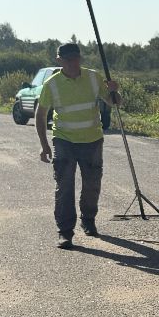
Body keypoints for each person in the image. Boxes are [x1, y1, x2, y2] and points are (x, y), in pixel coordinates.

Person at [35, 43, 120, 249]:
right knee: (64, 187)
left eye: (75, 58)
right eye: (67, 60)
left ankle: (88, 219)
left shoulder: (93, 78)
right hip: (64, 140)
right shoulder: (52, 84)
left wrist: (115, 92)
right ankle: (65, 232)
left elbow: (113, 102)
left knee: (92, 184)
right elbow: (41, 114)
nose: (72, 63)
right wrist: (44, 145)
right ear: (59, 61)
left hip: (92, 140)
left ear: (80, 58)